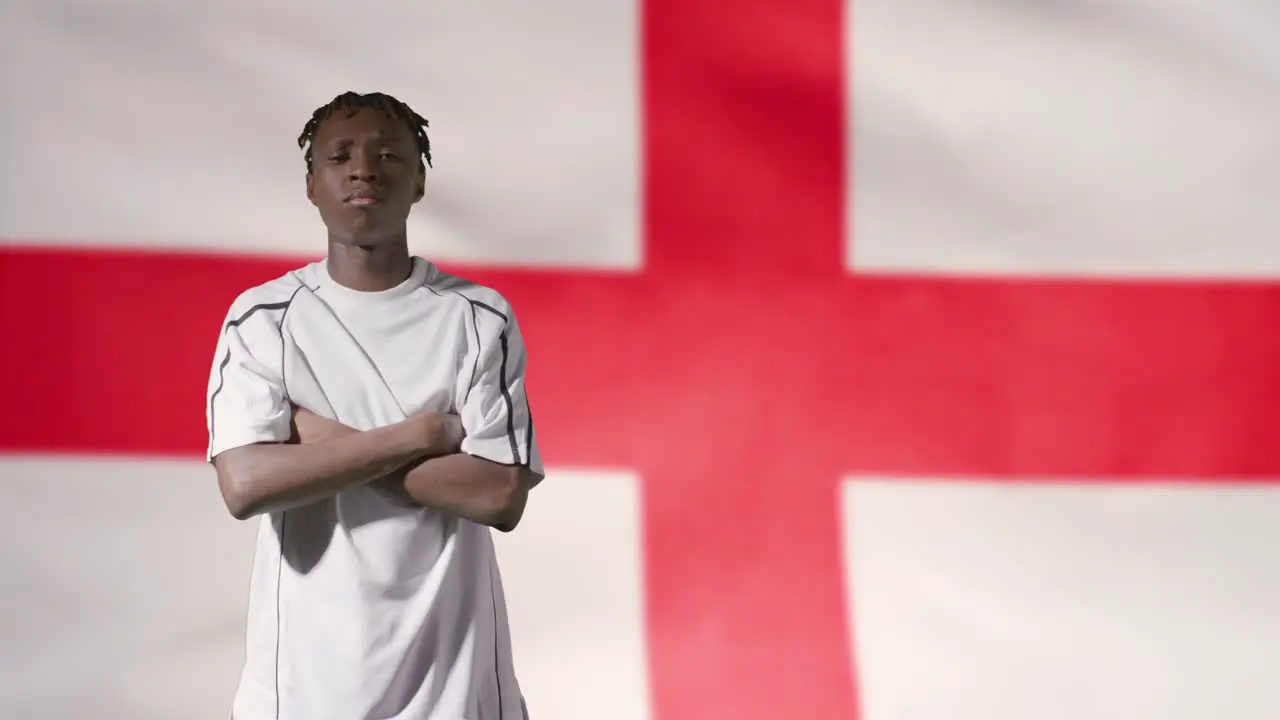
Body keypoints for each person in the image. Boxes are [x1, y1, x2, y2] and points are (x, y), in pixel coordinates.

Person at [205, 91, 542, 720]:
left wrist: (316, 438)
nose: (364, 170)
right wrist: (424, 434)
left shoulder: (477, 318)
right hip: (303, 690)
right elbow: (246, 485)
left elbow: (498, 497)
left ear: (419, 182)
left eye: (389, 154)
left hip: (457, 687)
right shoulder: (264, 319)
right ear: (311, 184)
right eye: (340, 156)